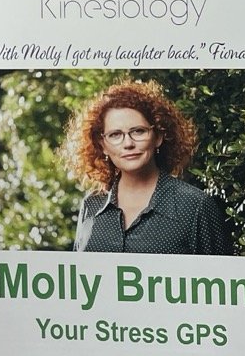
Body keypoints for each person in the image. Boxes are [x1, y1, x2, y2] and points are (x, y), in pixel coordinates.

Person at [65, 78, 230, 254]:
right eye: (115, 134)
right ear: (103, 144)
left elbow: (220, 277)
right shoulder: (91, 204)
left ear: (158, 136)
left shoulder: (196, 206)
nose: (128, 143)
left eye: (138, 131)